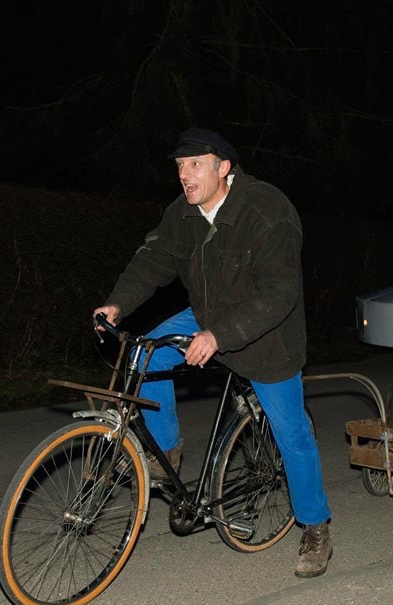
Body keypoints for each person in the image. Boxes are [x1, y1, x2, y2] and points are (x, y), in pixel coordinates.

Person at [92, 127, 333, 578]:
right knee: (143, 357)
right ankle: (167, 454)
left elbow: (280, 292)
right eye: (180, 167)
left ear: (223, 167)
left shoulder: (267, 209)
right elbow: (152, 261)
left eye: (195, 165)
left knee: (292, 435)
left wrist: (220, 336)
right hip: (206, 315)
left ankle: (315, 527)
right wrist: (118, 303)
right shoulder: (182, 215)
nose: (185, 176)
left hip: (266, 335)